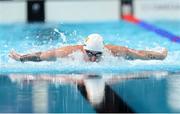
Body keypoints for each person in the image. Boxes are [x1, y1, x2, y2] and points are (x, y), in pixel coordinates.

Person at [9, 33, 168, 62]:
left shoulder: (113, 52)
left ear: (103, 51)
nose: (93, 58)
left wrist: (160, 56)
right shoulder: (71, 52)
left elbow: (139, 54)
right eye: (90, 53)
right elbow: (43, 55)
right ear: (84, 49)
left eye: (97, 55)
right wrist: (22, 58)